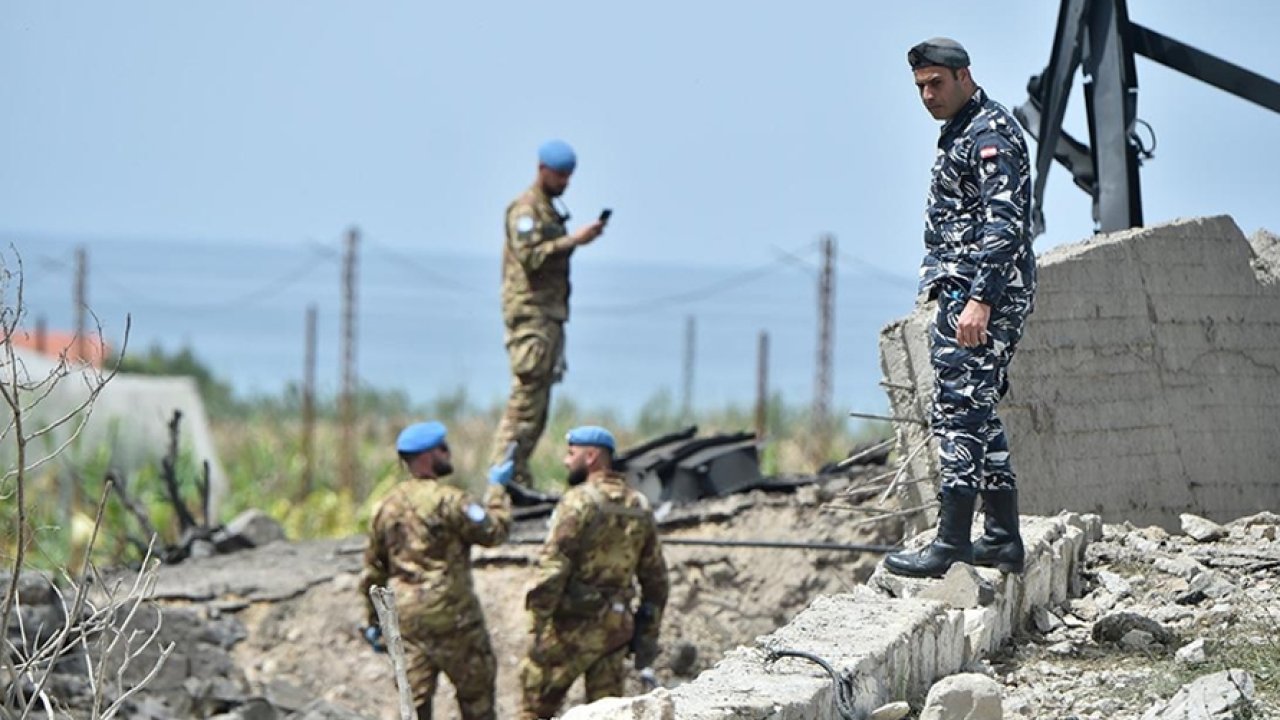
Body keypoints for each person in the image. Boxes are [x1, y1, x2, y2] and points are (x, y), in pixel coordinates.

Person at [884, 38, 1037, 579]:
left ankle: (950, 544)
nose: (928, 95)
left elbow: (1005, 223)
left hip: (980, 294)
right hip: (966, 290)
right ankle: (1001, 537)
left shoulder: (989, 133)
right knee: (977, 408)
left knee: (957, 411)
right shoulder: (963, 130)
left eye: (937, 84)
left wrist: (979, 300)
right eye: (920, 87)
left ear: (964, 76)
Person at [360, 421, 515, 720]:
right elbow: (493, 532)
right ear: (428, 456)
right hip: (454, 616)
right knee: (477, 700)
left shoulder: (385, 507)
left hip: (408, 620)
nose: (448, 453)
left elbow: (373, 570)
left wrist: (374, 620)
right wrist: (497, 490)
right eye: (443, 448)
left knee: (413, 705)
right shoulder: (450, 501)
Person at [518, 426, 669, 720]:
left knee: (533, 710)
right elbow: (656, 580)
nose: (565, 461)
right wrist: (647, 634)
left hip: (569, 630)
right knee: (608, 713)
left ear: (591, 457)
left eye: (571, 454)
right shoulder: (639, 505)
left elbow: (553, 568)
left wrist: (536, 623)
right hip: (615, 631)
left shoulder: (578, 502)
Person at [490, 140, 606, 494]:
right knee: (524, 403)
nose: (564, 183)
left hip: (549, 315)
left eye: (568, 177)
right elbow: (531, 257)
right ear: (542, 170)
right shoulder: (526, 210)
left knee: (538, 407)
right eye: (559, 176)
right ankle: (500, 484)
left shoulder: (549, 210)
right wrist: (574, 241)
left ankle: (517, 478)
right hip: (531, 316)